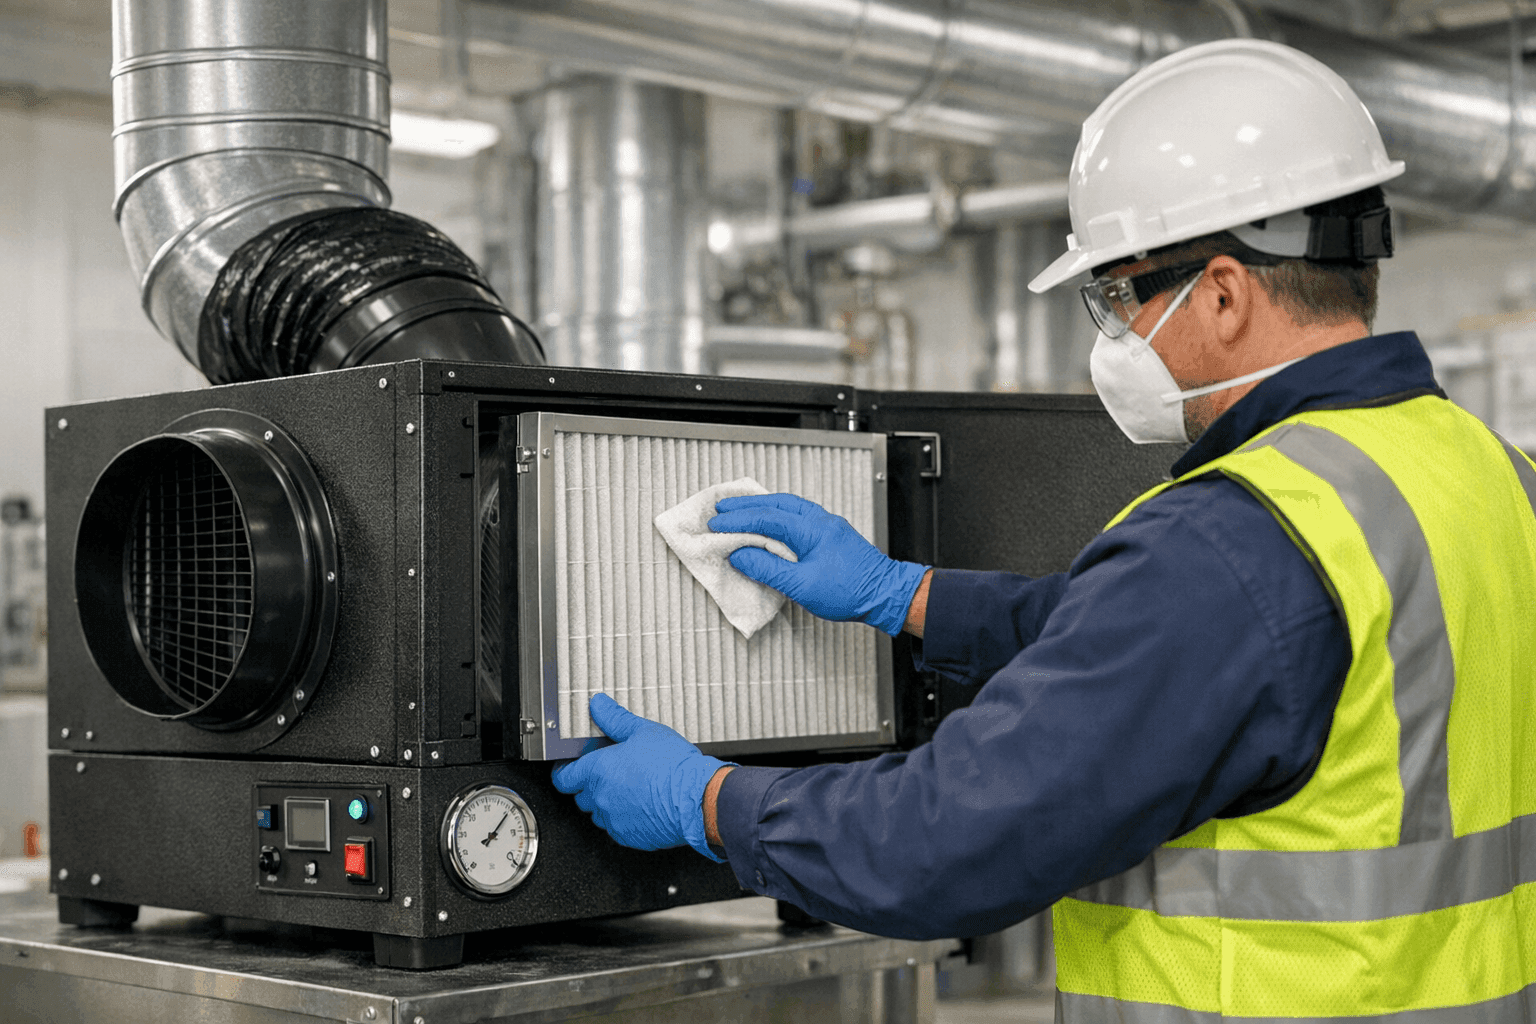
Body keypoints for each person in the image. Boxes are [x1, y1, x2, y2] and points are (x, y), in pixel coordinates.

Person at [553, 39, 1536, 1019]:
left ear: (1226, 294)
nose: (1111, 334)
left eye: (1117, 296)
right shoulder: (1495, 476)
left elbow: (952, 839)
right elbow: (1198, 650)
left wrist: (710, 801)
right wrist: (905, 595)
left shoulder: (1235, 539)